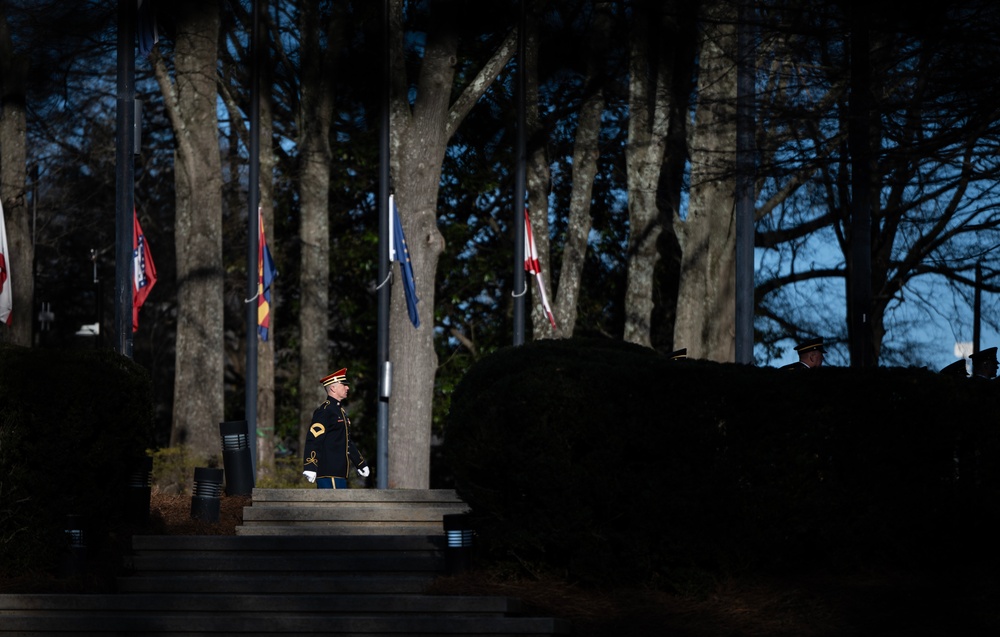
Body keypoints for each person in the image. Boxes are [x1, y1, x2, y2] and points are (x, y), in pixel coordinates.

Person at [302, 367, 371, 488]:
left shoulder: (340, 411)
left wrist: (360, 463)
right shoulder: (325, 411)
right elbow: (314, 438)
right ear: (333, 388)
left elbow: (346, 442)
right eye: (343, 384)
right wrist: (310, 466)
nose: (347, 387)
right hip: (328, 473)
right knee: (332, 506)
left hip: (340, 473)